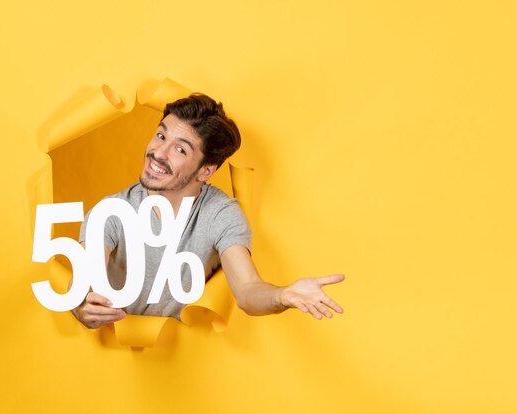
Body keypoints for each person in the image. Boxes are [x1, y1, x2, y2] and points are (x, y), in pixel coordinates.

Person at [71, 93, 344, 329]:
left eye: (180, 149)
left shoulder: (220, 214)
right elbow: (83, 284)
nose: (158, 152)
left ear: (206, 170)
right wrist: (81, 305)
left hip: (188, 365)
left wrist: (282, 296)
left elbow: (247, 290)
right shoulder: (110, 212)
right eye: (161, 135)